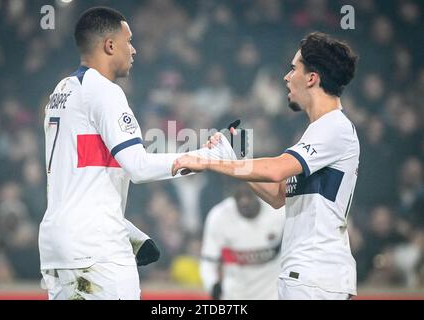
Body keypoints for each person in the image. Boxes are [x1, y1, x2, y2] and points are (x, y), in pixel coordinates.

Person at [39, 6, 235, 300]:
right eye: (129, 41)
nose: (134, 50)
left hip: (58, 248)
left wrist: (132, 234)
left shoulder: (62, 92)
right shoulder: (105, 91)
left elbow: (80, 183)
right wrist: (203, 159)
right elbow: (138, 166)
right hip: (98, 250)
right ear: (109, 45)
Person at [172, 32, 360, 300]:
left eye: (293, 68)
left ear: (311, 78)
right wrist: (232, 160)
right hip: (305, 275)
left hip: (317, 275)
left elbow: (276, 170)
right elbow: (277, 195)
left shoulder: (334, 127)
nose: (286, 76)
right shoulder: (320, 130)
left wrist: (210, 162)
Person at [200, 182, 285, 300]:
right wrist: (213, 287)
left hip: (272, 294)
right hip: (234, 296)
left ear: (258, 194)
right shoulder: (219, 216)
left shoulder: (279, 211)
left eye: (248, 195)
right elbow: (208, 261)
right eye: (239, 197)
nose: (244, 201)